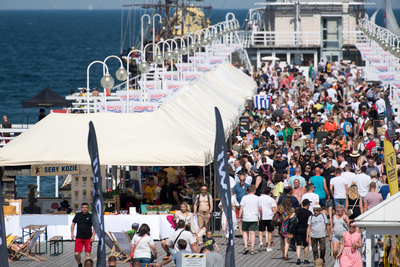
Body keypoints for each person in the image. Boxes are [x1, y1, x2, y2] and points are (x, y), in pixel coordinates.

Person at [71, 202, 96, 267]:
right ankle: (79, 264)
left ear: (88, 209)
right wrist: (72, 233)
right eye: (83, 207)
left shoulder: (90, 216)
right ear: (81, 208)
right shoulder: (78, 215)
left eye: (86, 208)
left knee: (87, 254)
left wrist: (93, 236)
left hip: (88, 238)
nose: (84, 209)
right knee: (76, 254)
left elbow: (95, 227)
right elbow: (73, 224)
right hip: (79, 237)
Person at [238, 185, 260, 255]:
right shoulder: (257, 198)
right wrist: (260, 217)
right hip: (254, 217)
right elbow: (259, 209)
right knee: (252, 233)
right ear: (254, 191)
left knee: (244, 232)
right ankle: (252, 249)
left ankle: (246, 246)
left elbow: (241, 207)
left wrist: (239, 217)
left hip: (246, 217)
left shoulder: (244, 197)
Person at [258, 187, 276, 252]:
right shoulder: (271, 199)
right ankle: (268, 247)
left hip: (262, 217)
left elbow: (259, 208)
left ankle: (260, 242)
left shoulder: (259, 198)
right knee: (270, 232)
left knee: (260, 231)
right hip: (269, 217)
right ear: (270, 192)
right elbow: (274, 210)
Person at [295, 199, 313, 265]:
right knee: (305, 245)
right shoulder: (309, 213)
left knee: (298, 244)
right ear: (308, 205)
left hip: (298, 229)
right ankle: (306, 259)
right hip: (305, 230)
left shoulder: (298, 211)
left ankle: (298, 258)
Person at [278, 196, 295, 260]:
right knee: (287, 240)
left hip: (282, 226)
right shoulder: (292, 209)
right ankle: (285, 254)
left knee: (282, 241)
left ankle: (283, 253)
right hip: (289, 227)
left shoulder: (281, 209)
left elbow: (277, 210)